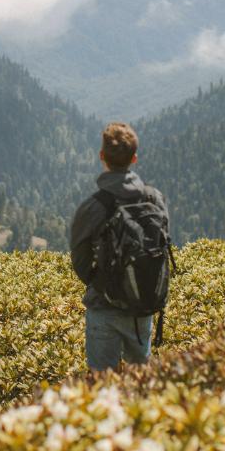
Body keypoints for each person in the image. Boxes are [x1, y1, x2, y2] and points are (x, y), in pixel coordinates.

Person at [70, 123, 170, 372]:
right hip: (143, 304)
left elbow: (80, 262)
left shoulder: (93, 207)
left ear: (101, 155)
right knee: (140, 382)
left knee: (102, 386)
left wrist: (104, 284)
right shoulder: (154, 198)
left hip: (103, 307)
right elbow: (161, 245)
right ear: (134, 158)